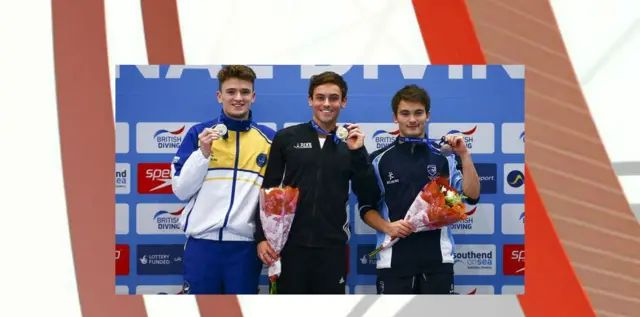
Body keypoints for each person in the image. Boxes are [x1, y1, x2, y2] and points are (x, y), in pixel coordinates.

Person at [254, 71, 376, 294]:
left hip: (332, 250)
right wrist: (261, 237)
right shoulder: (287, 138)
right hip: (289, 248)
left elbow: (369, 194)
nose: (326, 104)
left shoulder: (351, 144)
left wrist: (358, 153)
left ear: (344, 102)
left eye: (333, 98)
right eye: (320, 97)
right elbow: (266, 192)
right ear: (310, 100)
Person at [359, 84, 481, 295]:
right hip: (393, 262)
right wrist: (388, 227)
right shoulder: (378, 159)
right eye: (405, 113)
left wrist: (464, 155)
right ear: (395, 118)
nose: (412, 119)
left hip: (437, 263)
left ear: (428, 115)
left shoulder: (446, 157)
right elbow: (366, 208)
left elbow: (471, 196)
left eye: (418, 113)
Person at [171, 65, 274, 294]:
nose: (238, 98)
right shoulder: (198, 133)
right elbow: (181, 190)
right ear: (220, 96)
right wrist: (203, 154)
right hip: (202, 246)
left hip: (245, 249)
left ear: (253, 97)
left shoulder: (269, 139)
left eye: (245, 92)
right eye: (231, 92)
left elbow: (276, 195)